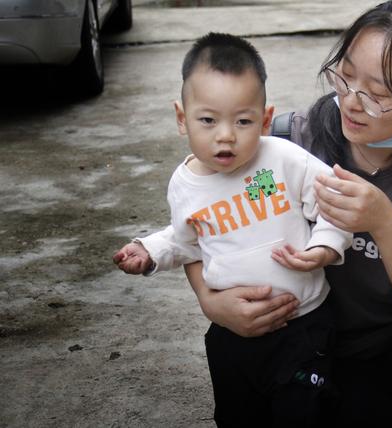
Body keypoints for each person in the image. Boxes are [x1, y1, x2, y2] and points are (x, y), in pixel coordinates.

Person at [131, 0, 392, 426]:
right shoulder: (289, 143)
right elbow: (200, 220)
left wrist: (382, 220)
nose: (352, 102)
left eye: (378, 94)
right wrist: (211, 302)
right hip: (312, 342)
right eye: (344, 77)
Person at [112, 32, 352, 428]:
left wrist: (324, 247)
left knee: (306, 414)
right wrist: (150, 250)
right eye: (207, 120)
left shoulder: (283, 159)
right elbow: (188, 240)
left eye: (243, 121)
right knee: (239, 415)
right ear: (180, 118)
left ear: (265, 118)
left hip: (305, 326)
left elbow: (337, 204)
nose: (226, 135)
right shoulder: (184, 185)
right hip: (232, 333)